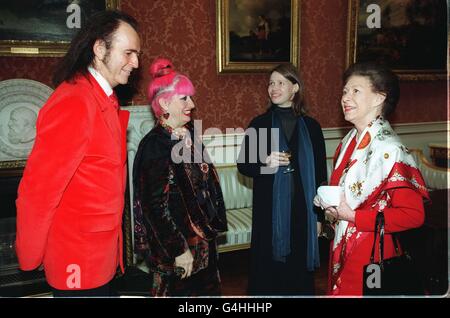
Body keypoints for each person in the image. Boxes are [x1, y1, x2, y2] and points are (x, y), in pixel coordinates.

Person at [15, 10, 141, 297]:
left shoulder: (102, 98)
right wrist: (30, 255)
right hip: (78, 261)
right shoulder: (74, 101)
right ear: (99, 49)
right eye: (129, 53)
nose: (136, 62)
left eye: (137, 54)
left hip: (100, 258)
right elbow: (39, 191)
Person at [314, 62, 429, 296]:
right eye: (345, 91)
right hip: (341, 248)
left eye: (355, 90)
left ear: (379, 98)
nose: (345, 97)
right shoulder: (349, 141)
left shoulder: (391, 150)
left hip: (372, 255)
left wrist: (354, 216)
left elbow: (413, 216)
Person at [133, 57, 228, 296]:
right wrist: (179, 250)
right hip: (179, 251)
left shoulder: (188, 135)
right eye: (184, 98)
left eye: (191, 97)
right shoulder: (155, 145)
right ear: (164, 103)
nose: (192, 103)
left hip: (203, 244)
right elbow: (153, 207)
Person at [237, 63, 327, 295]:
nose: (273, 88)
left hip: (302, 211)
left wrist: (319, 218)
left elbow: (320, 176)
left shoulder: (312, 127)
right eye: (271, 83)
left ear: (295, 87)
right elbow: (244, 166)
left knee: (297, 271)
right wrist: (265, 164)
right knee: (269, 270)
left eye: (280, 83)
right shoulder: (260, 124)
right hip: (269, 211)